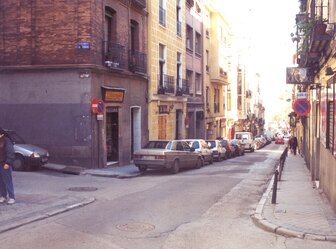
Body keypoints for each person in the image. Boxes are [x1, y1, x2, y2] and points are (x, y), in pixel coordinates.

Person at [0, 128, 15, 204]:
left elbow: (10, 152)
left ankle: (12, 197)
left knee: (7, 180)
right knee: (1, 181)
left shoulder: (6, 140)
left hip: (5, 163)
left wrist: (8, 163)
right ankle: (3, 196)